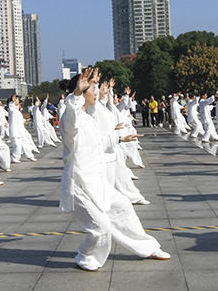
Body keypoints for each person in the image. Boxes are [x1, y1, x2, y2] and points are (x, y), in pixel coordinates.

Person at [58, 67, 169, 271]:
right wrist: (75, 94)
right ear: (82, 93)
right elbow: (71, 118)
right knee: (101, 229)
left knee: (124, 207)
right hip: (79, 186)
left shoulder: (88, 119)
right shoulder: (69, 117)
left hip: (97, 182)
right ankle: (85, 256)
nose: (97, 92)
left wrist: (120, 138)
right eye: (93, 89)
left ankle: (148, 247)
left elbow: (98, 141)